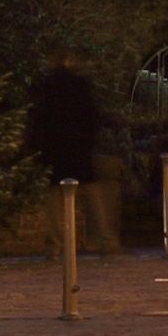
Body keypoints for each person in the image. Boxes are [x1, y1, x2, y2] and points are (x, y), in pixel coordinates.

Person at [24, 46, 104, 249]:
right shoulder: (79, 84)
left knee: (53, 199)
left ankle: (57, 241)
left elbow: (38, 118)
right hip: (77, 146)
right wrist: (88, 141)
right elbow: (91, 116)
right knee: (89, 193)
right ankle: (104, 238)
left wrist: (35, 145)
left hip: (52, 147)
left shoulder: (45, 85)